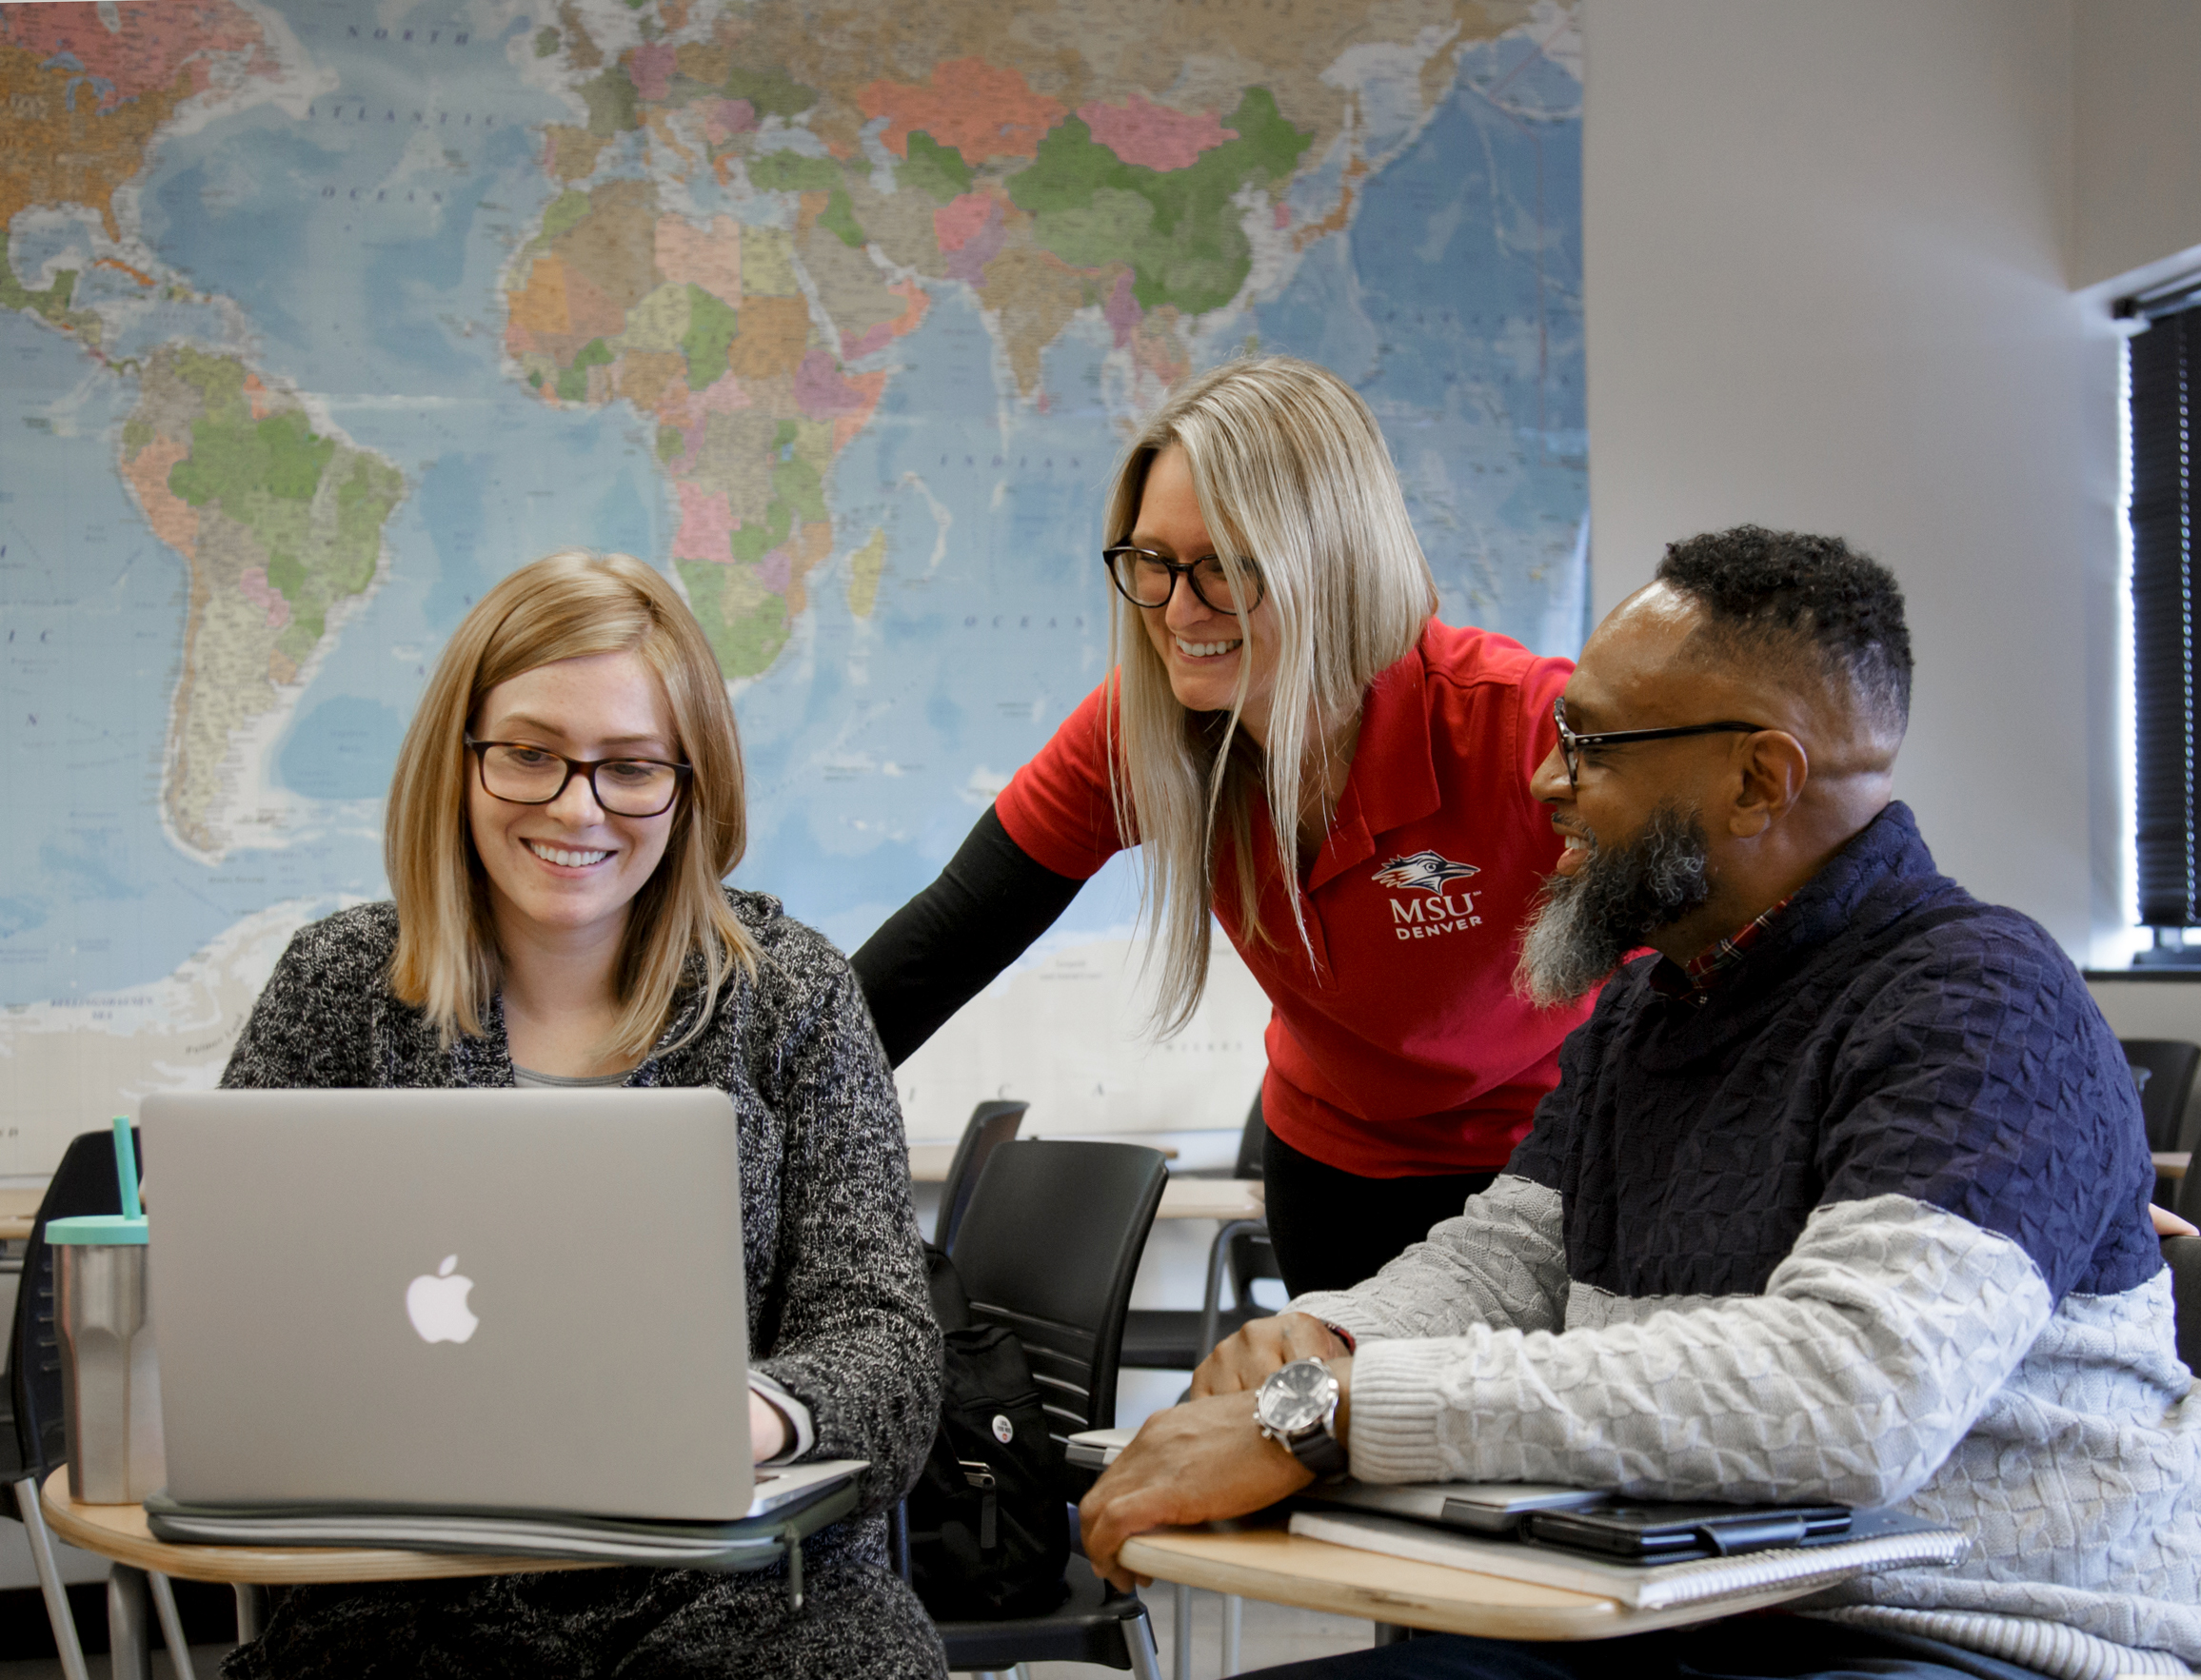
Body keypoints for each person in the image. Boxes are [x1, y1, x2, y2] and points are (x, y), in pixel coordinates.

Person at [1078, 527, 2201, 1680]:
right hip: (1681, 1615)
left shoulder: (1980, 1003)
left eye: (1590, 746)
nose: (1543, 780)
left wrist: (1329, 1414)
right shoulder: (1654, 1001)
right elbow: (1510, 1259)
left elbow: (1851, 1394)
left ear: (1757, 779)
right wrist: (1324, 1341)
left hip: (1951, 1643)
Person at [215, 551, 946, 1680]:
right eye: (530, 754)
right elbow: (232, 1325)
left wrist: (743, 1413)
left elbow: (889, 1348)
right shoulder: (338, 985)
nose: (576, 806)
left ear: (689, 783)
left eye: (630, 767)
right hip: (411, 1603)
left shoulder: (792, 998)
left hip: (743, 1599)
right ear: (459, 760)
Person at [854, 356, 1593, 1295]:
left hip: (1546, 1163)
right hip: (1336, 1172)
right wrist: (745, 1122)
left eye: (1223, 570)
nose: (1178, 610)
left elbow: (1721, 957)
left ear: (1334, 562)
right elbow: (948, 940)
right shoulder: (1143, 731)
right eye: (1151, 564)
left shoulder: (1522, 726)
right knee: (1344, 1435)